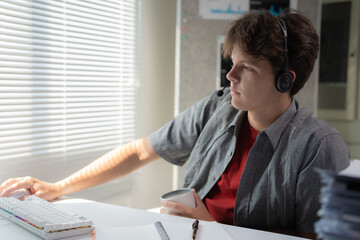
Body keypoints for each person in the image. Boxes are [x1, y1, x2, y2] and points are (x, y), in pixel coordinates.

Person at [0, 9, 349, 238]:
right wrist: (59, 187)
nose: (230, 75)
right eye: (233, 62)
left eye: (248, 69)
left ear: (285, 81)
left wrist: (212, 229)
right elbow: (139, 152)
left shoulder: (318, 145)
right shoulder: (218, 109)